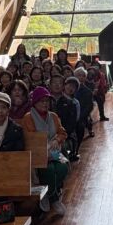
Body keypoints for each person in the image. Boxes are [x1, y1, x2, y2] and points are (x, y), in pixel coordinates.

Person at [19, 88, 68, 216]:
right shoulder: (28, 118)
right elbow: (29, 139)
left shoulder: (54, 116)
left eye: (47, 101)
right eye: (41, 101)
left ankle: (50, 192)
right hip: (38, 154)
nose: (45, 104)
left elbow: (63, 133)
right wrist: (43, 146)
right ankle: (53, 198)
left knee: (64, 166)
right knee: (49, 170)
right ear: (34, 103)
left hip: (55, 151)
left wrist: (57, 139)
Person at [50, 75, 81, 162]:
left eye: (59, 83)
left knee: (60, 147)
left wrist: (58, 137)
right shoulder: (44, 100)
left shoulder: (71, 103)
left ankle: (64, 166)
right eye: (54, 83)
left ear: (63, 85)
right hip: (46, 135)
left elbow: (70, 126)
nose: (57, 85)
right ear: (50, 85)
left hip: (64, 136)